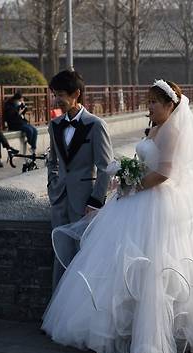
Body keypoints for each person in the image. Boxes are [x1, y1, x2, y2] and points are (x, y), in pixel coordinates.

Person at [41, 79, 193, 353]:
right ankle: (121, 330)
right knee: (118, 263)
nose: (150, 107)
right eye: (149, 102)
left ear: (171, 106)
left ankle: (152, 338)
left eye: (155, 102)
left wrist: (133, 184)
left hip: (158, 204)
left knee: (155, 267)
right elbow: (145, 162)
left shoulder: (172, 132)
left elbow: (165, 172)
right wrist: (127, 176)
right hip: (136, 200)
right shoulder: (153, 128)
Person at [46, 69, 114, 286]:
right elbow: (52, 161)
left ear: (76, 94)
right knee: (60, 254)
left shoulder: (95, 125)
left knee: (84, 255)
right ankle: (59, 311)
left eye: (60, 94)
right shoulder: (54, 125)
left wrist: (95, 201)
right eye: (54, 94)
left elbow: (106, 167)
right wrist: (52, 185)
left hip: (85, 203)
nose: (56, 99)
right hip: (59, 200)